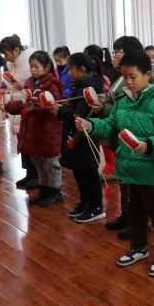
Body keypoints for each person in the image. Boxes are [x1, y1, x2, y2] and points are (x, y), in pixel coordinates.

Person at [76, 51, 154, 277]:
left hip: (153, 171)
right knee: (134, 213)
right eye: (125, 77)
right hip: (128, 170)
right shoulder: (122, 101)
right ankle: (138, 248)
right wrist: (90, 125)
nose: (129, 82)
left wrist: (147, 145)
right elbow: (110, 125)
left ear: (148, 74)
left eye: (133, 76)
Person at [92, 36, 154, 239]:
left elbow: (132, 107)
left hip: (135, 136)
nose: (113, 56)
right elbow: (117, 102)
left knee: (137, 185)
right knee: (125, 181)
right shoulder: (120, 76)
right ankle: (126, 216)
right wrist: (104, 102)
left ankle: (141, 222)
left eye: (117, 51)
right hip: (121, 135)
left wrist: (104, 108)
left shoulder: (146, 78)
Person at [5, 50, 64, 207]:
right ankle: (44, 189)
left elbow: (52, 108)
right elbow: (23, 103)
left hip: (48, 131)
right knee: (38, 163)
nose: (33, 70)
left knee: (50, 164)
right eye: (31, 66)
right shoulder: (30, 82)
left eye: (36, 67)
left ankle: (55, 192)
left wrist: (34, 107)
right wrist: (7, 106)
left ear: (47, 67)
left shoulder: (53, 85)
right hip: (32, 131)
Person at [51, 52, 105, 222]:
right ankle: (85, 202)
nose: (69, 73)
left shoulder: (89, 88)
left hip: (86, 137)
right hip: (76, 136)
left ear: (81, 69)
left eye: (71, 69)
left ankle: (96, 207)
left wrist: (59, 111)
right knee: (79, 173)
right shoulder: (80, 86)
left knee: (89, 173)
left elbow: (79, 115)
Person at [0, 34, 39, 190]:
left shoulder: (29, 63)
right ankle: (29, 173)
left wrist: (16, 84)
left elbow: (31, 85)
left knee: (31, 141)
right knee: (23, 140)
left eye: (6, 53)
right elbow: (11, 84)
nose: (5, 57)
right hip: (18, 104)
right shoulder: (13, 64)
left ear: (16, 50)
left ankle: (36, 175)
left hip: (28, 105)